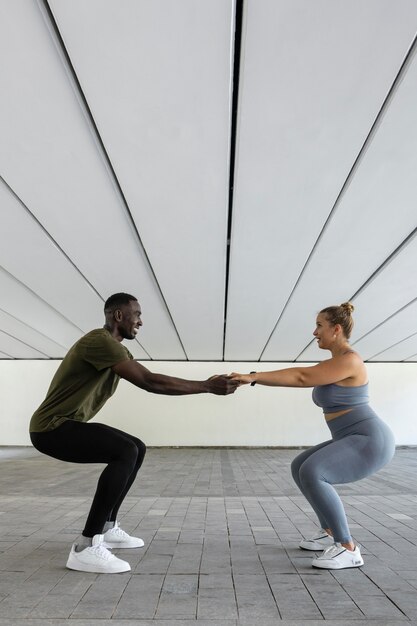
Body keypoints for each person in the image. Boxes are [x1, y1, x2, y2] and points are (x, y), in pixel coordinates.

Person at [30, 292, 238, 574]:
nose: (140, 321)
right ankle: (86, 546)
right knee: (124, 450)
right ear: (119, 315)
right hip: (50, 427)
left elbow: (147, 377)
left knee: (136, 447)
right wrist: (206, 386)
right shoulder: (98, 342)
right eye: (137, 314)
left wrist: (205, 386)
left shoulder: (116, 349)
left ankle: (107, 526)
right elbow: (149, 381)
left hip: (64, 424)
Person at [231, 302, 395, 570]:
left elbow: (301, 376)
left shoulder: (349, 360)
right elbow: (302, 375)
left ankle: (347, 548)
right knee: (300, 466)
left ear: (336, 329)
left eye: (320, 325)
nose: (314, 332)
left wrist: (253, 377)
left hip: (369, 438)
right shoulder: (334, 363)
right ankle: (329, 532)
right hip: (352, 436)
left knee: (314, 471)